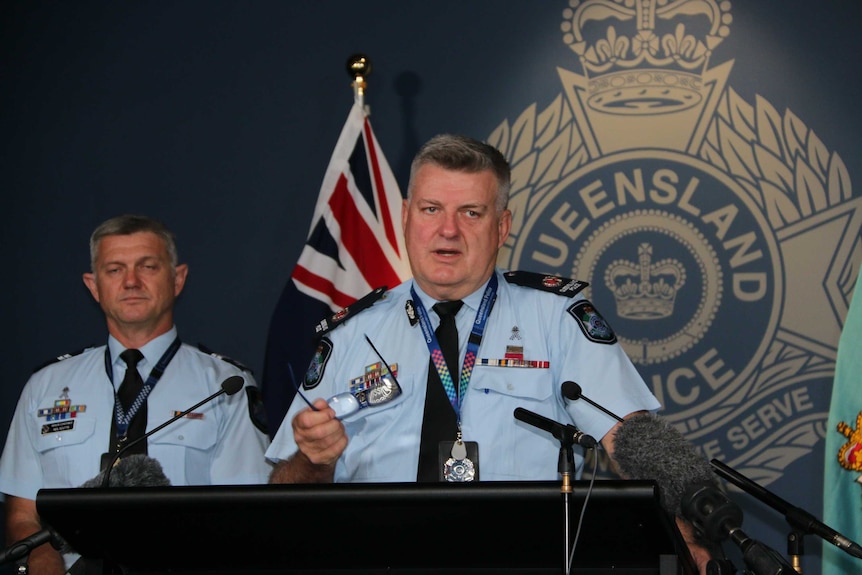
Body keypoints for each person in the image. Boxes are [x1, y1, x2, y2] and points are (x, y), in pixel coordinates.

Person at [265, 134, 711, 572]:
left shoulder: (556, 317)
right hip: (379, 560)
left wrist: (690, 539)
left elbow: (629, 439)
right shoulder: (351, 334)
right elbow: (283, 495)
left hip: (525, 562)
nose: (448, 230)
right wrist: (312, 460)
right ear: (405, 217)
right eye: (431, 209)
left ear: (502, 226)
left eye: (471, 213)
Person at [0, 214, 272, 575]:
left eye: (148, 266)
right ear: (93, 285)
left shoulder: (225, 385)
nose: (131, 281)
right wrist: (42, 560)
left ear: (177, 279)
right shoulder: (46, 386)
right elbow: (23, 513)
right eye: (114, 270)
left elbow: (244, 513)